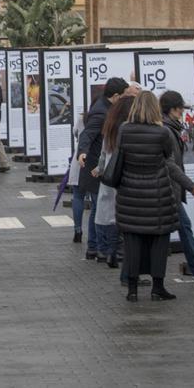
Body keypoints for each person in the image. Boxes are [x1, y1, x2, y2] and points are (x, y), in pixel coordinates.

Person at [114, 91, 179, 302]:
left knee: (132, 242)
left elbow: (120, 155)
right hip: (157, 195)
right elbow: (168, 156)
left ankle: (132, 290)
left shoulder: (124, 130)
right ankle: (157, 288)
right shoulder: (162, 133)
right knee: (159, 243)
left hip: (130, 195)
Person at [75, 77, 129, 258]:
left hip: (97, 166)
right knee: (100, 209)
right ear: (115, 96)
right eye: (123, 96)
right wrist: (82, 152)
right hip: (96, 169)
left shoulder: (104, 106)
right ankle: (99, 247)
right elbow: (87, 134)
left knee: (98, 208)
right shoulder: (101, 112)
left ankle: (94, 246)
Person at [160, 90, 194, 284]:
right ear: (172, 109)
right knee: (184, 227)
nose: (182, 113)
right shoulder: (168, 130)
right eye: (180, 109)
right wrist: (190, 185)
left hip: (170, 187)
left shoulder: (170, 128)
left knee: (174, 229)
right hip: (170, 188)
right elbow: (171, 164)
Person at [93, 95, 135, 270]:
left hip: (110, 176)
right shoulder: (129, 129)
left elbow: (103, 152)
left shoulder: (110, 127)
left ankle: (111, 251)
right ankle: (119, 253)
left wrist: (100, 169)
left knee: (111, 215)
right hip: (125, 175)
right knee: (125, 215)